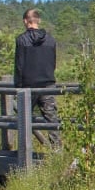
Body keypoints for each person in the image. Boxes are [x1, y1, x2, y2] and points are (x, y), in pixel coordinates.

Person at [13, 8, 58, 148]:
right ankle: (56, 149)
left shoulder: (21, 40)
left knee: (23, 117)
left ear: (25, 21)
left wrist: (18, 86)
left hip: (28, 85)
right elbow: (53, 62)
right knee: (52, 118)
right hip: (48, 83)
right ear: (38, 21)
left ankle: (24, 149)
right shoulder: (50, 40)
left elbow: (20, 65)